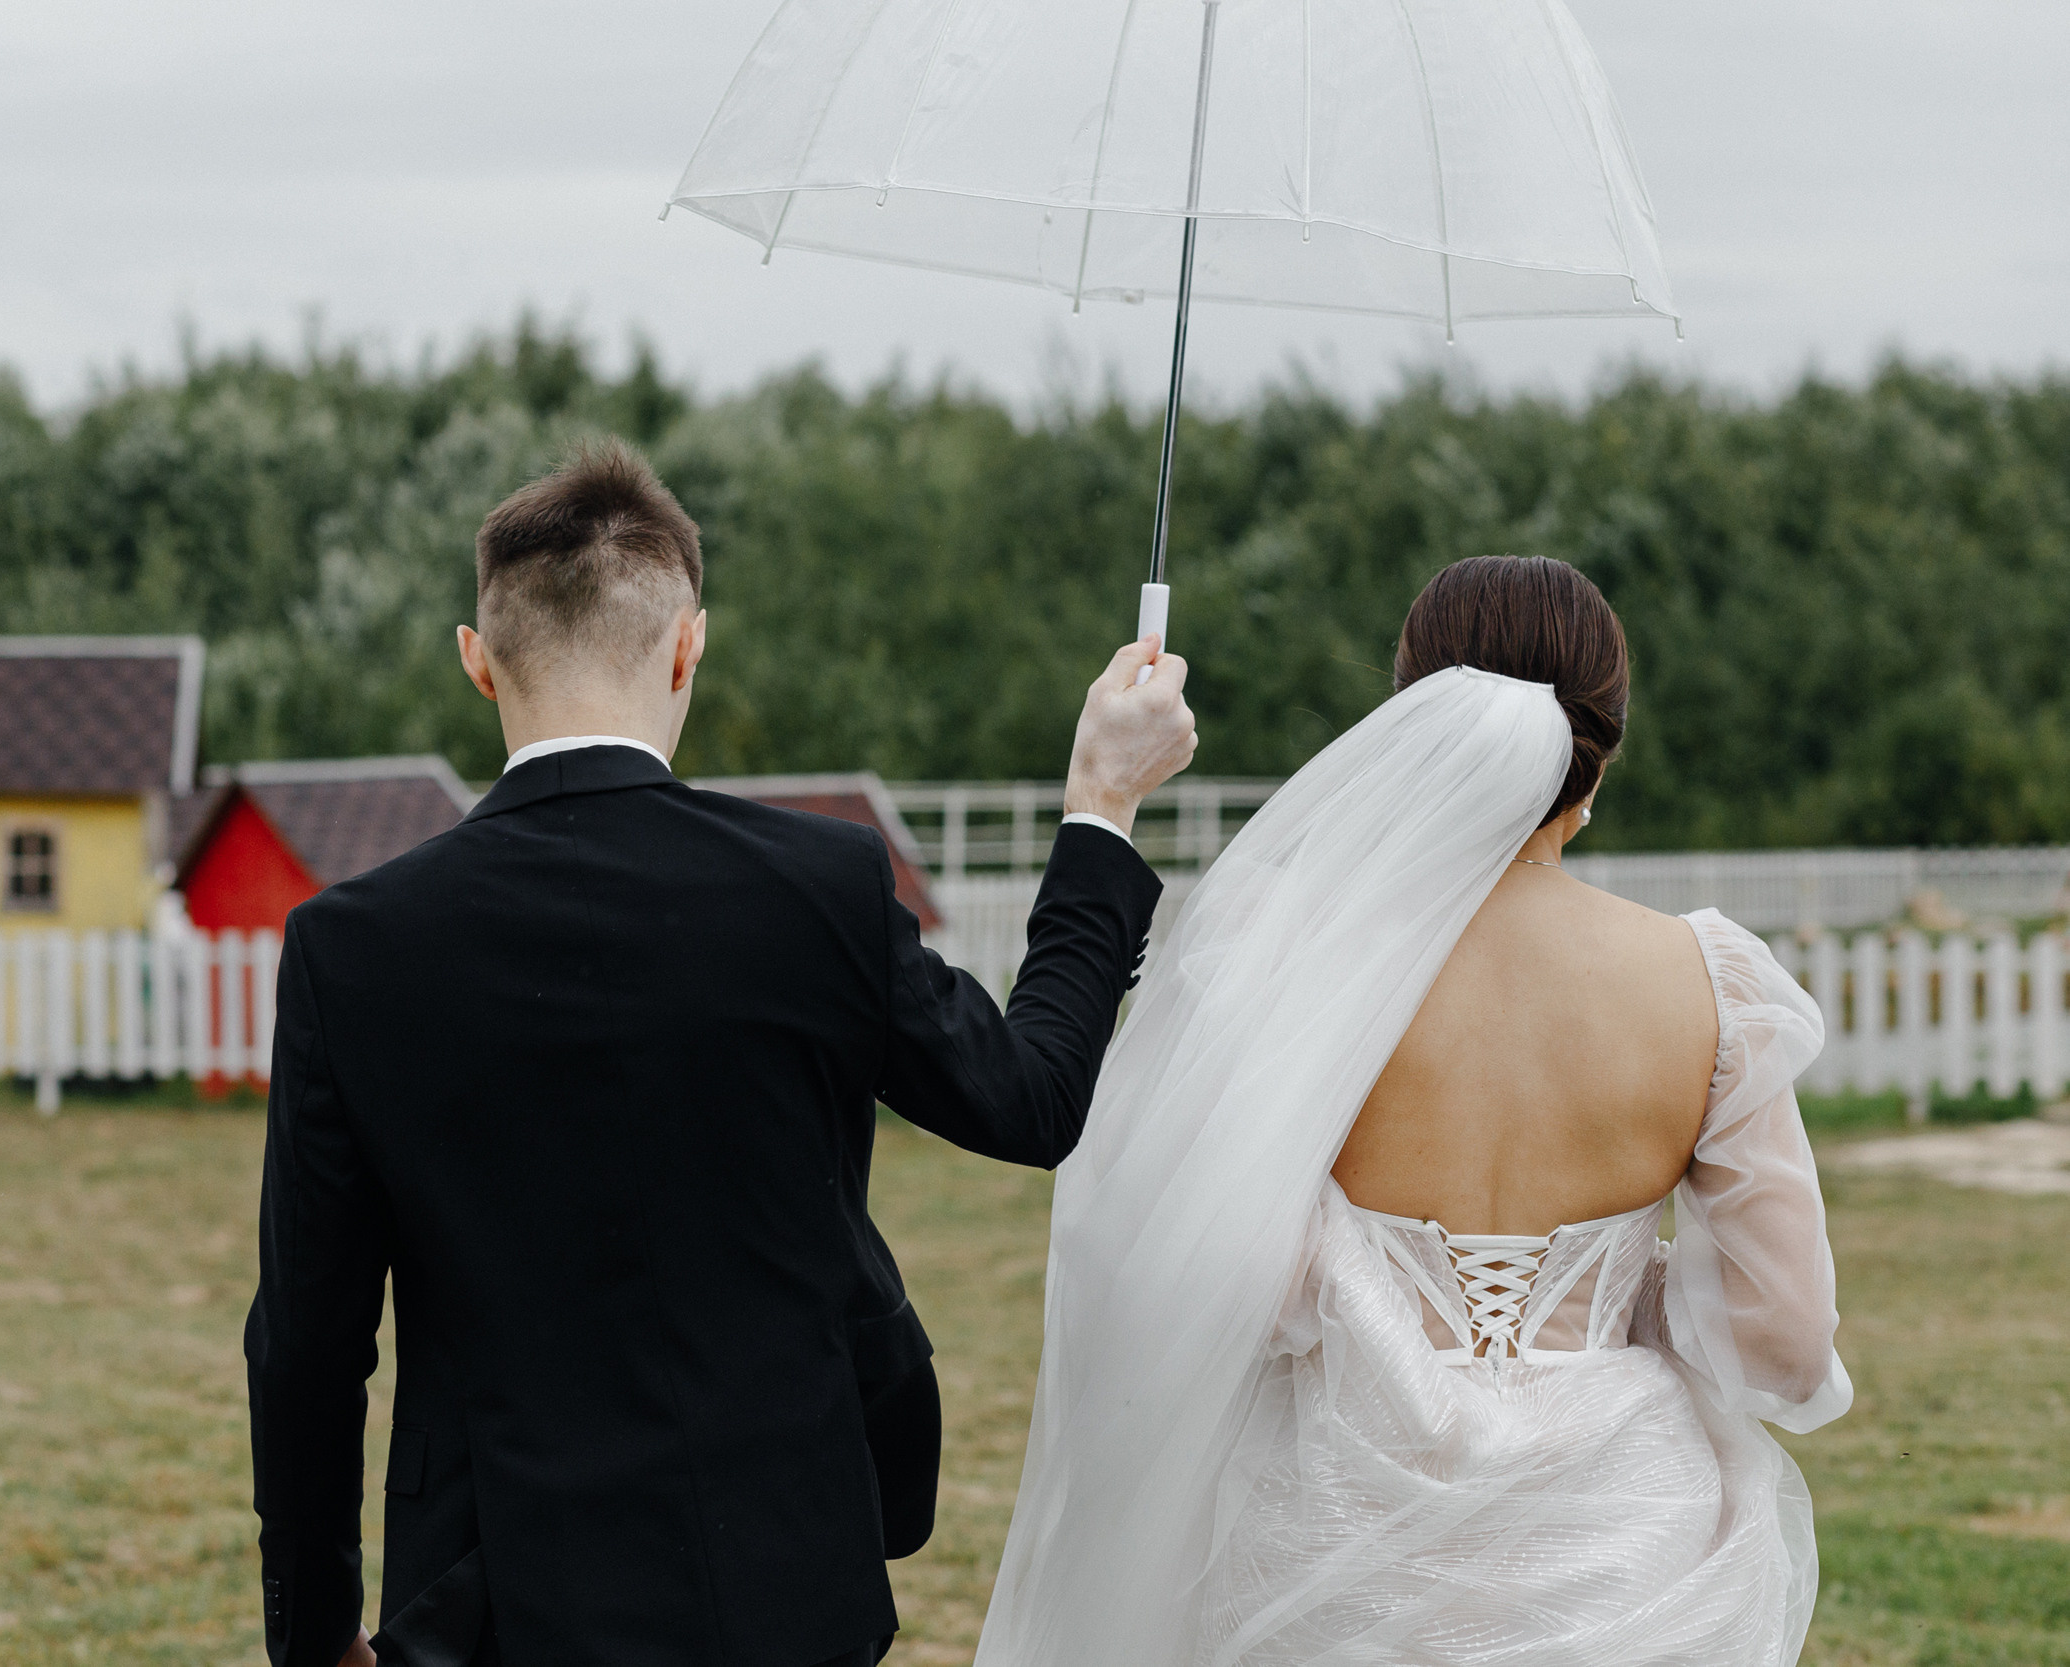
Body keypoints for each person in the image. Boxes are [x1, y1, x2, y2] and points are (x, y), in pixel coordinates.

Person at [243, 439, 1198, 1667]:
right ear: (689, 643)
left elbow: (307, 1343)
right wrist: (1100, 805)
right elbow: (1029, 1097)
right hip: (783, 1574)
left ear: (477, 663)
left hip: (490, 1601)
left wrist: (315, 1636)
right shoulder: (816, 890)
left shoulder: (353, 946)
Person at [978, 556, 1851, 1666]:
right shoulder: (1705, 981)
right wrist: (1619, 1300)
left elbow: (1199, 1265)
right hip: (1623, 1557)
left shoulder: (1287, 960)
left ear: (1409, 726)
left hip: (1335, 1546)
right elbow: (1782, 1339)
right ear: (1602, 751)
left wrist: (1362, 1284)